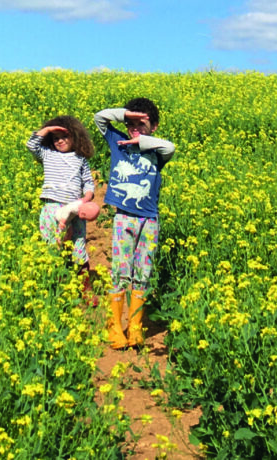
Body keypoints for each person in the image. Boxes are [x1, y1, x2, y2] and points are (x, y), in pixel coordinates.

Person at [94, 98, 175, 349]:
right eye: (130, 124)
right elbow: (100, 117)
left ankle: (136, 327)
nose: (134, 128)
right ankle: (114, 326)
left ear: (155, 126)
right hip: (123, 218)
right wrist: (126, 114)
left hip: (149, 220)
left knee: (143, 273)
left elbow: (170, 146)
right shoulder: (117, 143)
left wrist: (140, 140)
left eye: (141, 124)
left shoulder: (156, 152)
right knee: (121, 271)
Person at [25, 115, 97, 271]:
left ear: (75, 137)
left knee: (78, 244)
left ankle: (82, 283)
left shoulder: (80, 158)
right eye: (56, 138)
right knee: (52, 244)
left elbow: (88, 183)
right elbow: (31, 145)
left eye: (65, 136)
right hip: (52, 205)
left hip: (75, 206)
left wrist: (87, 197)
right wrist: (48, 129)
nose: (60, 140)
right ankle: (55, 280)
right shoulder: (48, 154)